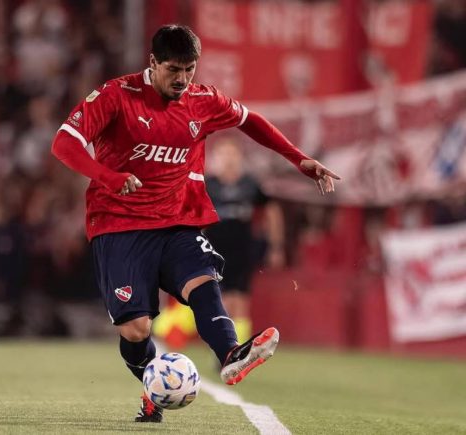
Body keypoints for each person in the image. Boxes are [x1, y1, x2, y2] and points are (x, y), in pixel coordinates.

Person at [51, 24, 340, 423]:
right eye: (174, 69)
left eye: (190, 69)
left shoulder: (203, 100)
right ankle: (152, 392)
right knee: (136, 329)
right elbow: (63, 144)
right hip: (119, 225)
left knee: (203, 281)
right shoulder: (117, 95)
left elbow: (249, 119)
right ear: (152, 63)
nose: (183, 79)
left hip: (177, 221)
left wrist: (298, 158)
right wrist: (109, 177)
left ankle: (230, 354)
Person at [205, 138, 285, 342]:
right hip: (214, 247)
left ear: (240, 158)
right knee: (218, 298)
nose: (228, 160)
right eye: (223, 155)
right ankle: (223, 344)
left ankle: (237, 347)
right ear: (215, 159)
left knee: (240, 299)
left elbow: (272, 210)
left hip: (242, 247)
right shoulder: (208, 184)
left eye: (232, 154)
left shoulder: (250, 184)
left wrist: (276, 246)